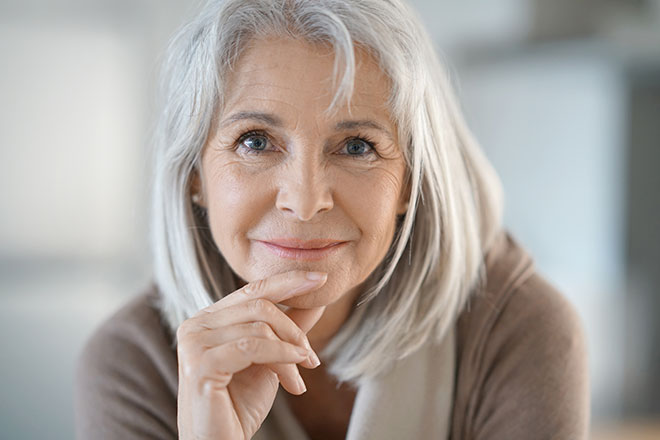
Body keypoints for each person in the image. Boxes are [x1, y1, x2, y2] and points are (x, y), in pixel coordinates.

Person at [74, 0, 590, 439]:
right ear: (195, 174)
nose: (304, 201)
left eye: (356, 146)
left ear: (410, 181)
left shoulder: (516, 330)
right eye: (255, 141)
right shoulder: (133, 363)